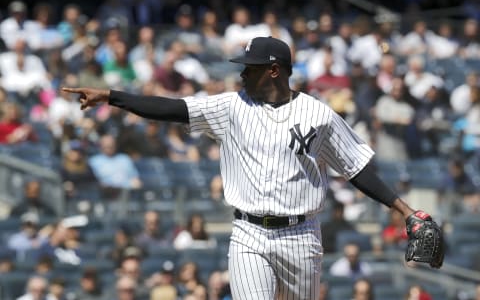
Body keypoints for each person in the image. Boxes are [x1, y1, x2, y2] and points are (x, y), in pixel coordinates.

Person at [63, 36, 440, 300]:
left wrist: (404, 211)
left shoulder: (318, 115)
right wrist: (113, 98)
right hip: (248, 234)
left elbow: (356, 169)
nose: (242, 74)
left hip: (301, 236)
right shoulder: (231, 107)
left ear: (274, 71)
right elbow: (173, 108)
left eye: (251, 68)